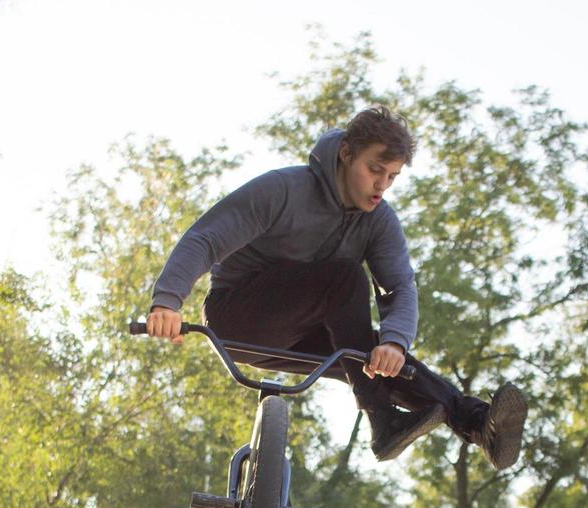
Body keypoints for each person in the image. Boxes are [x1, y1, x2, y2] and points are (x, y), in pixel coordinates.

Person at [145, 106, 527, 469]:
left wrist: (394, 343)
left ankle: (478, 425)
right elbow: (206, 239)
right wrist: (167, 301)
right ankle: (381, 418)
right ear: (345, 153)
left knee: (377, 356)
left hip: (302, 334)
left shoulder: (378, 221)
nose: (381, 186)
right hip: (239, 320)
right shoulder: (284, 190)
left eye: (392, 177)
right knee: (344, 279)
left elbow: (400, 287)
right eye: (375, 170)